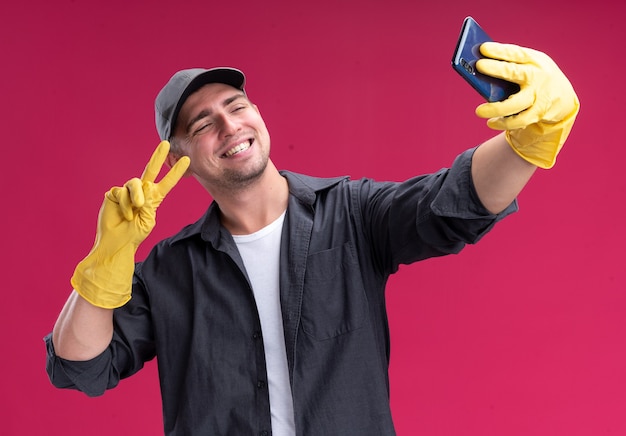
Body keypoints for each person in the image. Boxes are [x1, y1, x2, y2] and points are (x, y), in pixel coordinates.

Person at [45, 42, 579, 436]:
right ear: (180, 156)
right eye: (203, 123)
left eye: (237, 105)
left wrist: (528, 141)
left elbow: (452, 203)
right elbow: (80, 367)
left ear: (258, 115)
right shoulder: (168, 269)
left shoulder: (352, 213)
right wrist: (105, 259)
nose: (230, 126)